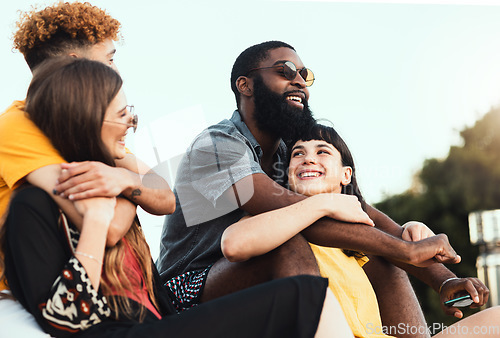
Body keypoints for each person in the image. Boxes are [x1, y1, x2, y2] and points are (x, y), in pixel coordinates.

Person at [2, 56, 352, 338]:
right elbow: (64, 321)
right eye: (123, 115)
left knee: (308, 297)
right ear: (85, 119)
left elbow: (161, 198)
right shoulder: (31, 207)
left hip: (158, 326)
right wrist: (94, 221)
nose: (131, 125)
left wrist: (123, 185)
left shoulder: (119, 192)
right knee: (304, 298)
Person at [157, 40, 489, 337]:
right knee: (287, 240)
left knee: (373, 247)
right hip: (187, 292)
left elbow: (359, 210)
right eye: (285, 70)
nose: (299, 81)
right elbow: (288, 211)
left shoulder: (291, 152)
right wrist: (403, 249)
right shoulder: (217, 144)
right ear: (245, 84)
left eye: (304, 74)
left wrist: (443, 279)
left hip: (246, 275)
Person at [221, 122, 500, 337]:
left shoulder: (361, 239)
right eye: (298, 153)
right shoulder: (279, 223)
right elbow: (234, 243)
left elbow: (394, 239)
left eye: (322, 152)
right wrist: (322, 204)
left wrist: (413, 234)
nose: (308, 159)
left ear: (346, 175)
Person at [0, 2, 172, 336]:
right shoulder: (16, 127)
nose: (116, 72)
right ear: (75, 66)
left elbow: (166, 197)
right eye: (109, 59)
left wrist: (121, 178)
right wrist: (129, 188)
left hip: (89, 289)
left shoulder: (86, 127)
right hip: (28, 299)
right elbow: (101, 225)